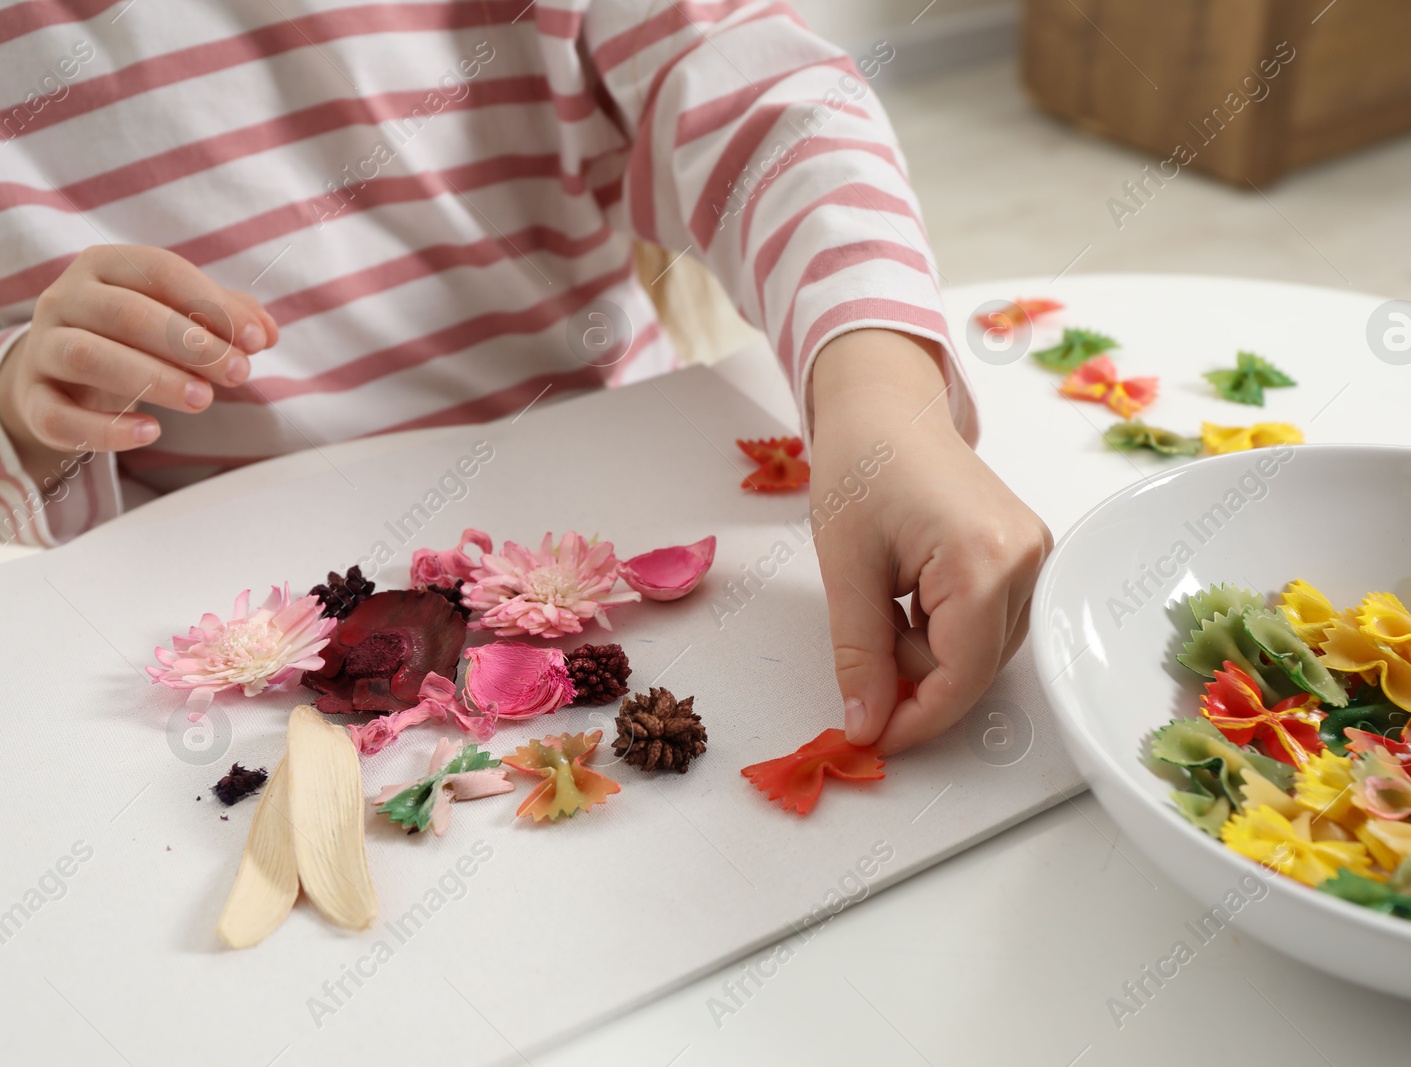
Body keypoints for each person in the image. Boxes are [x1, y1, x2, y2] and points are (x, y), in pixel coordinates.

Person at [0, 0, 1049, 752]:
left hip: (624, 526)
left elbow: (759, 95)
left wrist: (879, 394)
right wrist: (29, 414)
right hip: (219, 638)